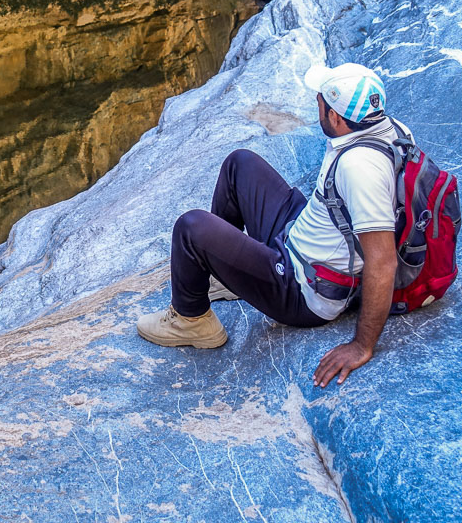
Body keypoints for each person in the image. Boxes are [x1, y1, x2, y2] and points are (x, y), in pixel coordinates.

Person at [134, 62, 406, 388]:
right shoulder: (390, 130)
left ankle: (191, 320)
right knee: (241, 164)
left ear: (336, 118)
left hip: (302, 289)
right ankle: (227, 277)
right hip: (303, 241)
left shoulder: (360, 169)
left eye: (320, 101)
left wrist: (362, 345)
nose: (316, 102)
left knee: (191, 227)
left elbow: (383, 260)